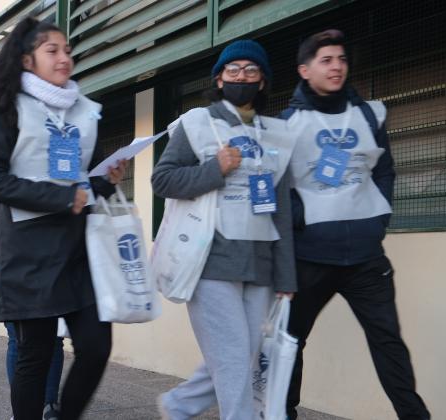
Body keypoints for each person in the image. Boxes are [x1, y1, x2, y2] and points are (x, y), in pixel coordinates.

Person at [0, 17, 128, 420]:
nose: (64, 58)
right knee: (35, 356)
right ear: (27, 60)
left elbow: (74, 177)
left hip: (79, 247)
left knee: (96, 347)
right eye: (53, 51)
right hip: (29, 250)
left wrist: (104, 181)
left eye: (67, 50)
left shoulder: (80, 110)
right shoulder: (3, 109)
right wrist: (63, 197)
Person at [281, 29, 429, 420]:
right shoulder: (287, 124)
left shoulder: (369, 114)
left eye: (341, 59)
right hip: (309, 258)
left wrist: (378, 221)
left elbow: (385, 171)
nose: (336, 67)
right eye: (326, 60)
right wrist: (303, 223)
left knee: (388, 342)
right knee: (289, 344)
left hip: (365, 257)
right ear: (304, 69)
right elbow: (281, 188)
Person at [151, 40, 296, 420]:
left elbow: (280, 209)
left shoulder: (276, 135)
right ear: (219, 80)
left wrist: (286, 274)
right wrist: (215, 169)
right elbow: (162, 180)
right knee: (234, 360)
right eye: (233, 71)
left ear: (262, 81)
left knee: (243, 356)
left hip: (260, 265)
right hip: (209, 261)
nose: (241, 77)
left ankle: (180, 405)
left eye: (251, 70)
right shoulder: (197, 123)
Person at [0, 200, 65, 420]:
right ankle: (23, 407)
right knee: (19, 338)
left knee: (55, 336)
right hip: (4, 265)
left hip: (50, 263)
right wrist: (1, 223)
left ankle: (49, 405)